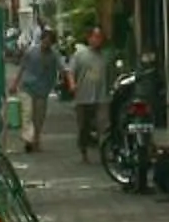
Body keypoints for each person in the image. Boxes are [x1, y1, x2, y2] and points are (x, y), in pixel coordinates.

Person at [67, 28, 113, 163]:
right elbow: (70, 71)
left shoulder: (106, 56)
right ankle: (84, 153)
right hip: (83, 96)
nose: (97, 40)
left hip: (102, 96)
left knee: (103, 124)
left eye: (99, 37)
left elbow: (110, 75)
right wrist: (72, 84)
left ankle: (104, 153)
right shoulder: (80, 55)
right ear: (89, 38)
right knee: (83, 127)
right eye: (95, 37)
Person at [17, 29, 59, 154]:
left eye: (49, 42)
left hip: (43, 89)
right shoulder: (31, 51)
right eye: (45, 40)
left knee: (39, 117)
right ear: (41, 40)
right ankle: (28, 139)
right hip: (27, 87)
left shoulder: (54, 55)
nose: (46, 44)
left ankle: (36, 138)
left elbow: (62, 69)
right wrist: (15, 83)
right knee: (27, 113)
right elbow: (22, 67)